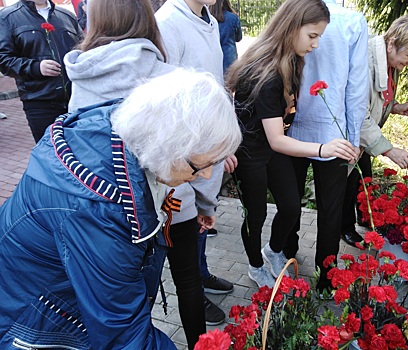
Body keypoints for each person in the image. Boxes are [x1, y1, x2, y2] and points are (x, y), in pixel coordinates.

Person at [0, 68, 242, 349]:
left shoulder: (130, 126)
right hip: (37, 323)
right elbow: (123, 335)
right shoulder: (100, 209)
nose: (206, 176)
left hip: (57, 301)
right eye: (199, 166)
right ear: (167, 147)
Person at [64, 0, 206, 348]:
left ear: (94, 21)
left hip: (107, 210)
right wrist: (206, 200)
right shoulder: (171, 78)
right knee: (188, 280)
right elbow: (195, 152)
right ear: (147, 21)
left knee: (128, 298)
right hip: (173, 203)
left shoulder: (82, 77)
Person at [225, 0, 358, 289]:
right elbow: (277, 139)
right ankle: (255, 267)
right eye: (312, 36)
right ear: (291, 27)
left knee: (290, 207)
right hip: (251, 154)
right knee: (256, 216)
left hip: (272, 150)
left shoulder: (292, 60)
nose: (316, 44)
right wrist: (324, 149)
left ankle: (272, 251)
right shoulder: (266, 71)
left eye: (320, 36)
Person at [156, 0, 234, 332]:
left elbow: (213, 87)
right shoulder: (168, 23)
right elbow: (169, 103)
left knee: (204, 215)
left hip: (207, 153)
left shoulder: (210, 20)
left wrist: (222, 143)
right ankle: (193, 288)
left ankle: (200, 273)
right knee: (187, 225)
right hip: (184, 160)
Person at [283, 0, 368, 292]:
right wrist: (354, 139)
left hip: (291, 128)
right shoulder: (353, 21)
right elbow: (357, 86)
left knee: (289, 202)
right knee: (330, 210)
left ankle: (286, 258)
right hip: (335, 131)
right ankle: (326, 279)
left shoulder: (294, 10)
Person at [341, 14, 408, 246]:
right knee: (348, 182)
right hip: (349, 136)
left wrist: (396, 107)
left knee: (364, 180)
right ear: (392, 43)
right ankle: (345, 228)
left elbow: (378, 98)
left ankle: (361, 219)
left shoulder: (389, 60)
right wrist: (389, 150)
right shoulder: (366, 60)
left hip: (363, 140)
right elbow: (359, 114)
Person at [0, 0, 83, 143]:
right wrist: (35, 67)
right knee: (51, 155)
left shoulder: (66, 16)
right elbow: (3, 59)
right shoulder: (7, 17)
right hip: (40, 102)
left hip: (76, 99)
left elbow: (83, 49)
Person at [209, 0, 242, 74]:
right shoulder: (233, 18)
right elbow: (239, 38)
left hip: (212, 56)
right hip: (229, 57)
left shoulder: (208, 19)